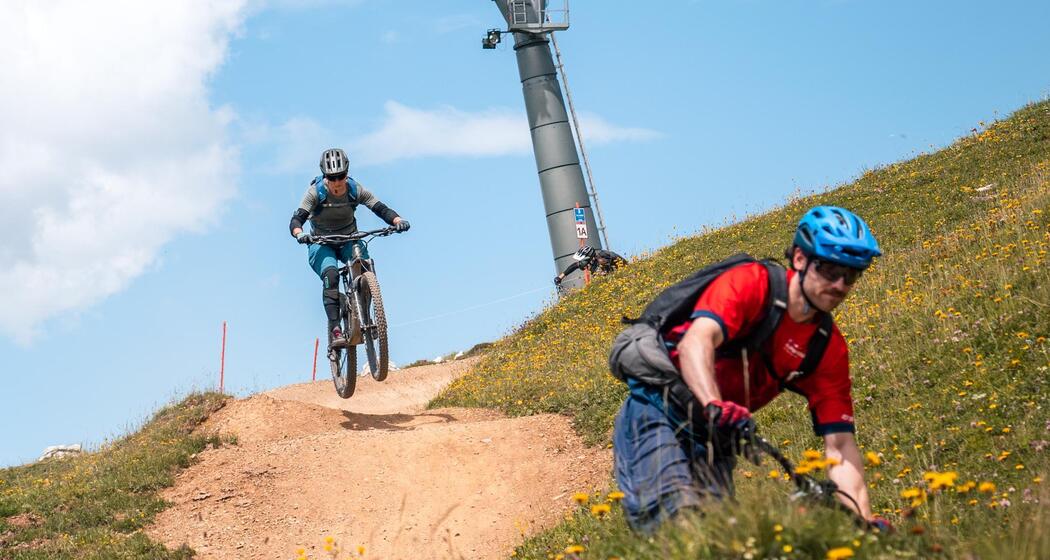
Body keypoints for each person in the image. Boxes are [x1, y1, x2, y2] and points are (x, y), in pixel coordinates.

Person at [612, 206, 889, 533]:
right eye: (830, 269)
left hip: (715, 436)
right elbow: (696, 342)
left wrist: (863, 522)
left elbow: (840, 447)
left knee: (717, 537)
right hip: (658, 410)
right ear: (800, 258)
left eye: (852, 275)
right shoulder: (753, 284)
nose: (840, 284)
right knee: (673, 521)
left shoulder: (826, 347)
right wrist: (714, 404)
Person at [290, 148, 410, 346]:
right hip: (321, 243)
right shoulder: (315, 192)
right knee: (331, 275)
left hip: (350, 238)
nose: (337, 182)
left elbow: (379, 207)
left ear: (347, 173)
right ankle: (336, 329)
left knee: (364, 266)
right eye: (332, 177)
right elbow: (296, 219)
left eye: (341, 176)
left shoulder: (355, 189)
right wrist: (299, 234)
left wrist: (397, 220)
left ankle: (369, 316)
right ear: (325, 176)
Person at [553, 245, 627, 286]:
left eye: (582, 260)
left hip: (623, 276)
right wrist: (560, 277)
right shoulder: (589, 262)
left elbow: (612, 273)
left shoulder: (602, 259)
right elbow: (574, 266)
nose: (580, 263)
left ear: (589, 259)